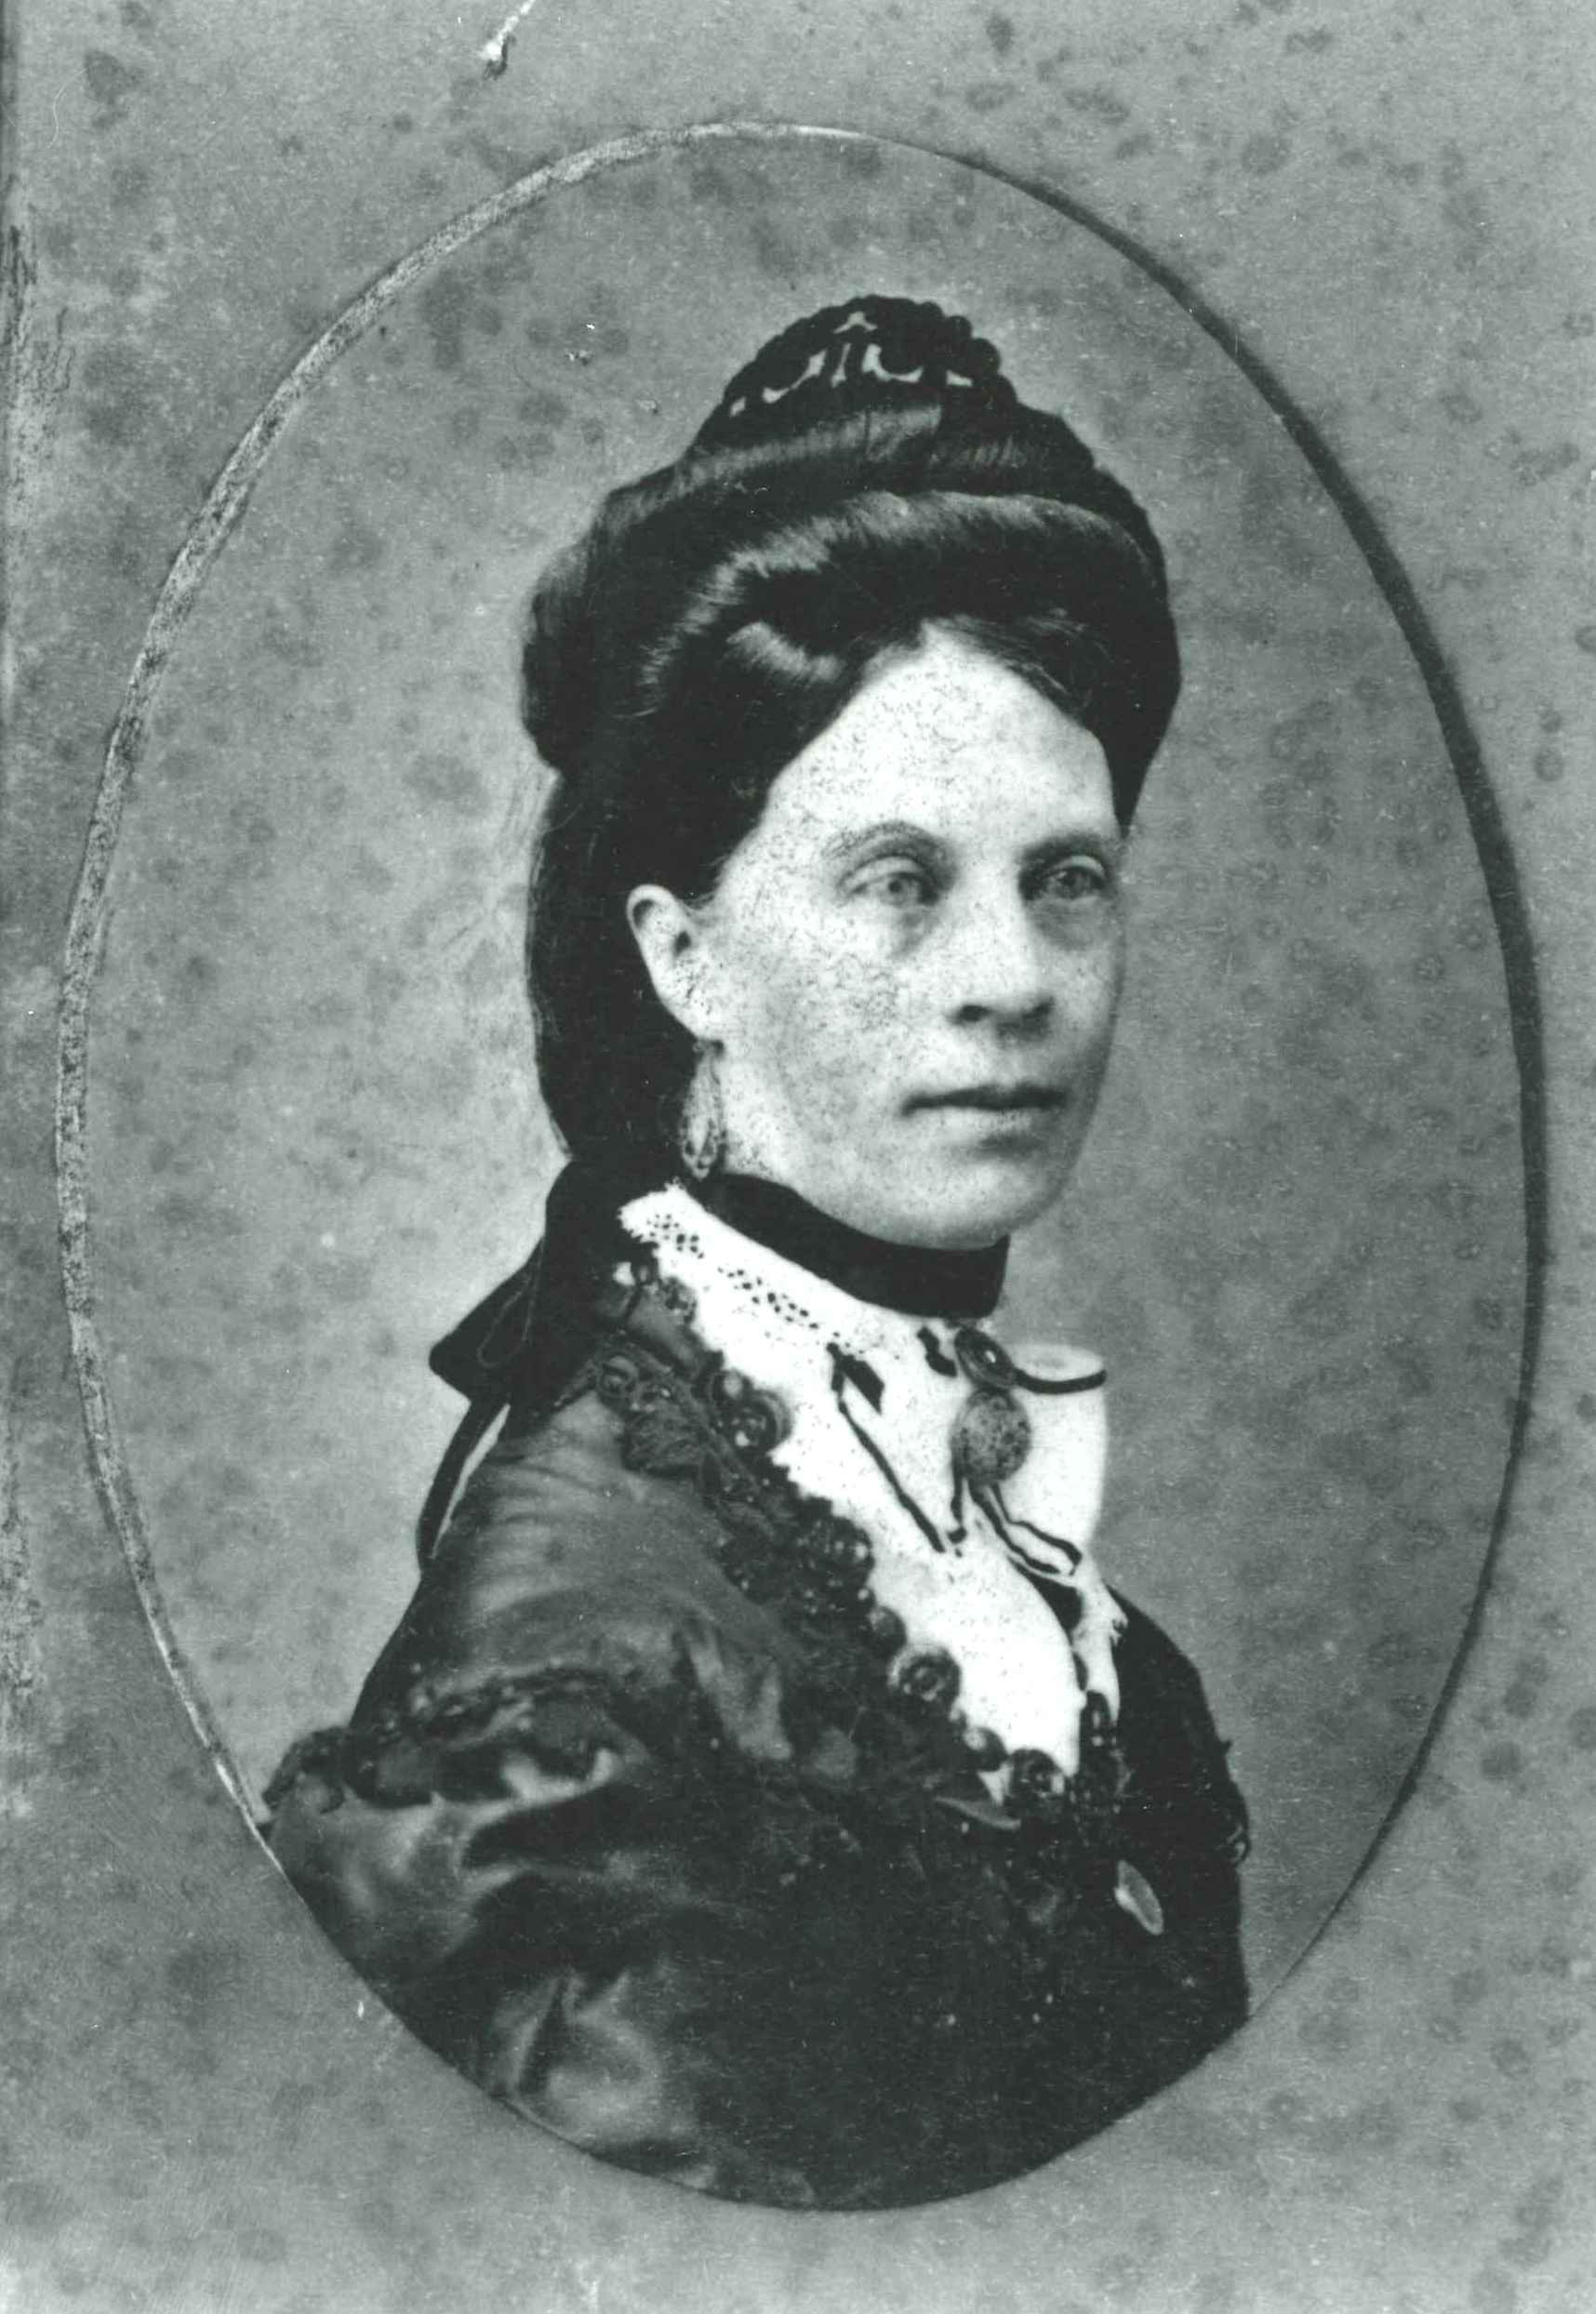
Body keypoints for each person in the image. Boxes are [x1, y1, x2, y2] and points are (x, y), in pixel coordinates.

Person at [266, 295, 1249, 2210]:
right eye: (900, 881)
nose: (1013, 981)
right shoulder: (577, 1652)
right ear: (684, 955)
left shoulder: (938, 1488)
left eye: (1068, 878)